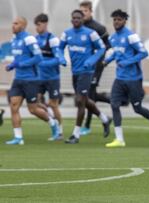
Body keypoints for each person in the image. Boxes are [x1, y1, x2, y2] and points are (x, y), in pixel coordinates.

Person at [104, 9, 149, 148]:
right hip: (120, 78)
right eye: (114, 19)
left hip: (133, 79)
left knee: (137, 108)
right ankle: (119, 139)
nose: (116, 22)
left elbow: (144, 53)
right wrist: (107, 60)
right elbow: (116, 52)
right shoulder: (113, 38)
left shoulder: (131, 36)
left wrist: (128, 62)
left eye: (119, 19)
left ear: (125, 21)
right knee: (114, 104)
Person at [59, 10, 111, 144]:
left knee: (80, 101)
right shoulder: (67, 33)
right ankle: (105, 119)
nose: (76, 20)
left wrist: (91, 60)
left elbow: (102, 48)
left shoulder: (91, 33)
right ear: (71, 20)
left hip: (87, 71)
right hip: (75, 72)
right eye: (74, 18)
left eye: (78, 18)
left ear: (82, 20)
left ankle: (76, 135)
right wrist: (61, 58)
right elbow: (59, 48)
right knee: (85, 100)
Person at [5, 16, 59, 145]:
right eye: (13, 23)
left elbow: (38, 58)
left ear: (23, 26)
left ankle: (53, 123)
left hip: (31, 80)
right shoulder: (13, 40)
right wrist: (13, 64)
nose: (13, 25)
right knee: (14, 106)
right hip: (18, 79)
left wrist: (21, 64)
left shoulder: (29, 39)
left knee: (33, 110)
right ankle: (18, 138)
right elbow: (19, 58)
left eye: (16, 23)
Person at [79, 1, 111, 136]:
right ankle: (115, 100)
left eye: (85, 11)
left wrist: (102, 59)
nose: (82, 14)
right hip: (83, 66)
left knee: (89, 94)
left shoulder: (99, 28)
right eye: (81, 12)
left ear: (91, 11)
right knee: (87, 95)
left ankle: (87, 125)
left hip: (96, 66)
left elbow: (108, 45)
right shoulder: (78, 27)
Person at [34, 13, 66, 141]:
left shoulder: (52, 40)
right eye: (36, 25)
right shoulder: (35, 39)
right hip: (39, 78)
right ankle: (52, 121)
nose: (37, 27)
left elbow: (58, 59)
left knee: (54, 105)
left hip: (52, 78)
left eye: (39, 25)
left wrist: (43, 63)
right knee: (36, 103)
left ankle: (60, 132)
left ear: (45, 24)